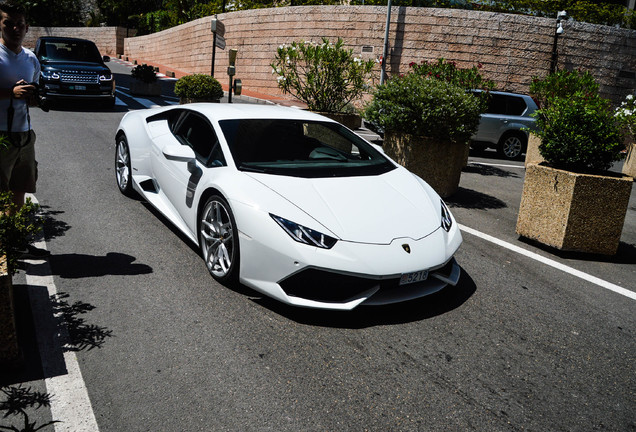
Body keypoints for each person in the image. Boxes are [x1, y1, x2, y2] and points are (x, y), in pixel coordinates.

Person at [0, 0, 49, 258]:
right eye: (9, 23)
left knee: (19, 189)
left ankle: (13, 239)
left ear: (27, 27)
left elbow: (34, 92)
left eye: (20, 24)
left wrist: (33, 98)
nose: (15, 28)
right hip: (0, 137)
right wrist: (11, 92)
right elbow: (14, 92)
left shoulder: (31, 58)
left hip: (24, 135)